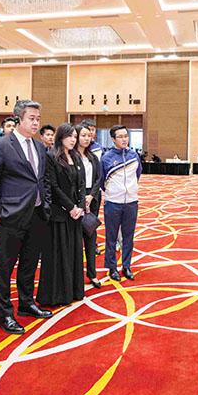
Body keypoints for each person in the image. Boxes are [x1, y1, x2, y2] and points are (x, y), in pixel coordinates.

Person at [0, 99, 53, 335]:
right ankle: (4, 314)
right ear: (18, 119)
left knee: (29, 263)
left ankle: (26, 302)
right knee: (5, 267)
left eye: (38, 119)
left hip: (37, 214)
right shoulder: (1, 145)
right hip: (11, 215)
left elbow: (42, 179)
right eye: (31, 118)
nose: (36, 123)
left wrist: (46, 204)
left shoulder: (40, 147)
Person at [37, 123, 85, 306]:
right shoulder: (51, 156)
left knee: (73, 254)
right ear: (61, 137)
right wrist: (70, 207)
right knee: (58, 255)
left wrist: (80, 206)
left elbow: (82, 184)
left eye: (75, 136)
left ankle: (73, 291)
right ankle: (57, 295)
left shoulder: (76, 156)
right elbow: (53, 186)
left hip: (75, 214)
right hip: (59, 213)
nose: (73, 140)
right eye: (69, 136)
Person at [101, 125, 141, 282]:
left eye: (126, 136)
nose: (125, 139)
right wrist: (113, 191)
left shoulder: (134, 156)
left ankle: (126, 266)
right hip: (113, 202)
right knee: (111, 237)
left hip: (131, 202)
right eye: (120, 137)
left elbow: (137, 175)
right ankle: (112, 267)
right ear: (113, 139)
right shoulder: (106, 158)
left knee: (128, 236)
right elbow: (101, 180)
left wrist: (130, 190)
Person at [76, 123, 102, 288]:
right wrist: (81, 199)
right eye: (83, 135)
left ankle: (92, 273)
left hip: (92, 198)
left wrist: (91, 196)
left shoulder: (92, 157)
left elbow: (99, 178)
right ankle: (76, 274)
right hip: (76, 200)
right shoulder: (70, 157)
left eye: (89, 135)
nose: (87, 138)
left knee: (91, 236)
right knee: (76, 240)